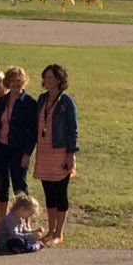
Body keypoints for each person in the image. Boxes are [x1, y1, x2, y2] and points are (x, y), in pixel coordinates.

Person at [34, 64, 79, 246]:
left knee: (61, 193)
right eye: (46, 77)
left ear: (60, 80)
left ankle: (59, 233)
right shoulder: (42, 99)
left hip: (60, 152)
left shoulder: (66, 102)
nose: (48, 81)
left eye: (51, 77)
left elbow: (73, 129)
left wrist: (70, 154)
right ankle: (51, 229)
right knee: (49, 193)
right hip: (44, 153)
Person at [0, 66, 38, 217]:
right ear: (7, 82)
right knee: (1, 186)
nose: (15, 84)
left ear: (23, 82)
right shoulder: (3, 101)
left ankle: (24, 220)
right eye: (12, 80)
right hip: (1, 148)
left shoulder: (29, 102)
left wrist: (27, 153)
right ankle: (2, 220)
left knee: (20, 186)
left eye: (19, 81)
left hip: (19, 150)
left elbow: (33, 131)